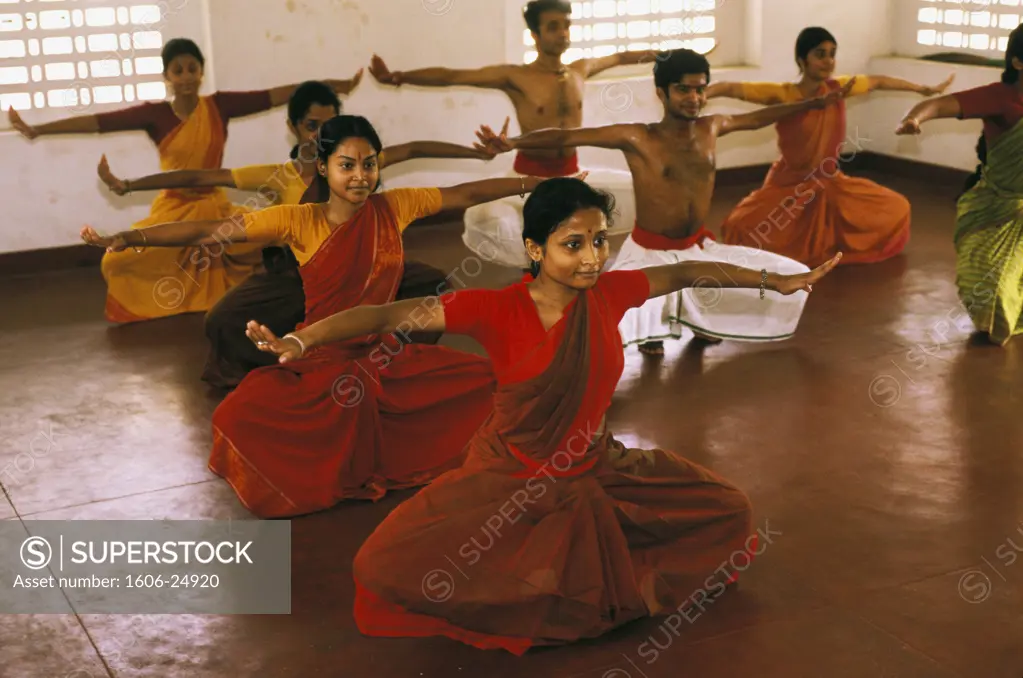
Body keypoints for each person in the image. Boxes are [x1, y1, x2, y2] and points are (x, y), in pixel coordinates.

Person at [245, 177, 841, 653]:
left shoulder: (611, 294)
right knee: (383, 565)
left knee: (729, 510)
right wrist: (303, 340)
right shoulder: (492, 309)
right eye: (573, 244)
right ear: (535, 249)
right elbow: (380, 315)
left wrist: (777, 281)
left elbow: (686, 270)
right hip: (510, 473)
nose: (592, 257)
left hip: (596, 467)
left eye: (600, 241)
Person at [81, 114, 569, 516]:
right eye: (347, 165)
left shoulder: (395, 206)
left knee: (493, 386)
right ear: (325, 167)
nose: (360, 175)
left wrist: (540, 183)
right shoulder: (300, 220)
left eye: (370, 164)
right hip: (319, 357)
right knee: (236, 414)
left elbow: (465, 192)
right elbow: (216, 228)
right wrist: (134, 237)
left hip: (384, 357)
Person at [97, 80, 501, 388]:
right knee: (222, 320)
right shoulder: (278, 177)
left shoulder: (357, 161)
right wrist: (130, 188)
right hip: (294, 276)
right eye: (312, 125)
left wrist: (479, 153)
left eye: (329, 124)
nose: (321, 133)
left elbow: (414, 150)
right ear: (295, 127)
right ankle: (282, 369)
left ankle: (389, 365)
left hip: (372, 269)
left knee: (435, 286)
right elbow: (201, 177)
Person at [473, 48, 845, 355]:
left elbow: (758, 118)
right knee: (595, 329)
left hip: (696, 244)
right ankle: (653, 328)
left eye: (701, 90)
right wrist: (514, 144)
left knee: (783, 273)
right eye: (684, 90)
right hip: (649, 250)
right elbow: (572, 132)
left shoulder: (712, 127)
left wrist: (811, 103)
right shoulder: (637, 137)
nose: (695, 98)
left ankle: (699, 321)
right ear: (662, 93)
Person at [9, 38, 363, 324]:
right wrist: (39, 129)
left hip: (215, 203)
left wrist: (335, 86)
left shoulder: (220, 106)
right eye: (178, 70)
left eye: (193, 68)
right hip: (173, 206)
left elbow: (278, 95)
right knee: (116, 261)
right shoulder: (155, 115)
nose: (187, 76)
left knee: (258, 239)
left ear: (202, 72)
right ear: (167, 76)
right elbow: (101, 121)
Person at [368, 0, 672, 269]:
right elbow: (452, 76)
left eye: (566, 26)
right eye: (553, 27)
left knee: (610, 213)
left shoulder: (581, 69)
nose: (563, 33)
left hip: (571, 172)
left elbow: (620, 58)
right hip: (530, 176)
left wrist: (668, 56)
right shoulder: (516, 76)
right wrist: (399, 78)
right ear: (536, 35)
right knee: (537, 241)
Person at [707, 27, 953, 268]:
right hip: (789, 184)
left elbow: (878, 81)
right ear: (802, 60)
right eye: (820, 54)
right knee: (743, 229)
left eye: (832, 53)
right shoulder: (783, 94)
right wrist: (701, 93)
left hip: (830, 181)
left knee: (898, 208)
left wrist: (922, 89)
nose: (828, 61)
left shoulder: (839, 89)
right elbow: (730, 87)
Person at [895, 22, 1023, 347]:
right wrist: (914, 118)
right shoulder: (1001, 97)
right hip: (997, 207)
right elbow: (939, 104)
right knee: (988, 295)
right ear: (1017, 62)